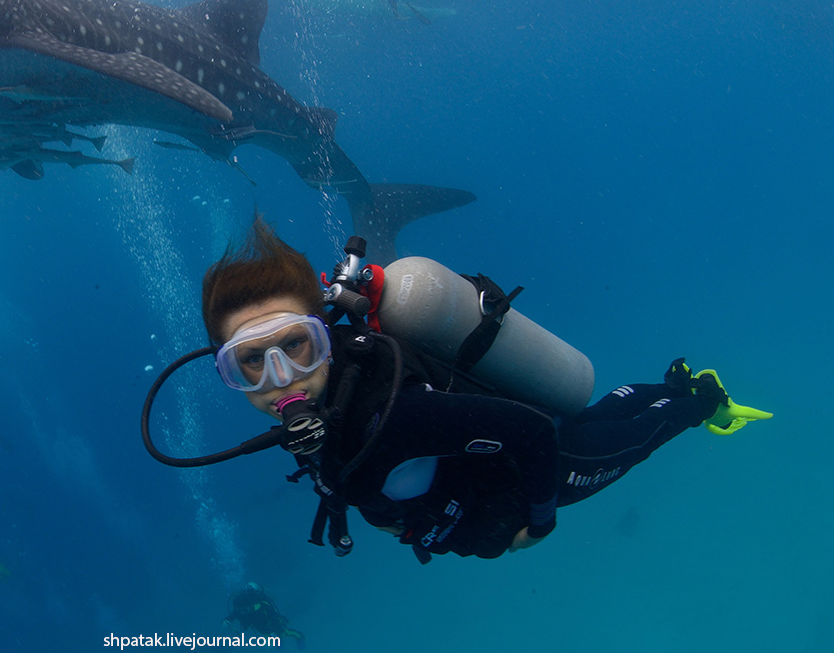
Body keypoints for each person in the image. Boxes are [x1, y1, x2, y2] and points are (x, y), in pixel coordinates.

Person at [196, 219, 771, 561]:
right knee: (593, 418)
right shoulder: (333, 400)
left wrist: (540, 523)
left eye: (295, 346)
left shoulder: (392, 417)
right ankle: (673, 385)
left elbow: (528, 431)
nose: (281, 378)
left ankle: (700, 404)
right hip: (503, 443)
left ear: (325, 337)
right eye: (249, 361)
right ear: (230, 374)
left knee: (630, 444)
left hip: (536, 468)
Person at [223, 583, 306, 649]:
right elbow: (233, 615)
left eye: (245, 610)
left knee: (286, 633)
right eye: (240, 610)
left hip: (274, 625)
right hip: (262, 629)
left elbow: (273, 616)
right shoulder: (239, 611)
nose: (242, 613)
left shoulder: (262, 605)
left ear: (250, 605)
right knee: (271, 639)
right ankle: (278, 642)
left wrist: (274, 630)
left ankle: (299, 637)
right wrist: (226, 621)